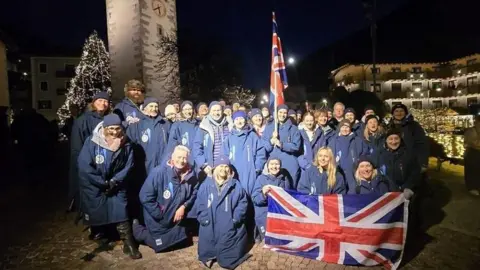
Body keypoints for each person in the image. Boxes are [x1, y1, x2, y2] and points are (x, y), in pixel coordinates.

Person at [77, 114, 141, 259]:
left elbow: (128, 165)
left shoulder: (126, 144)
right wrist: (102, 183)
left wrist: (114, 181)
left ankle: (128, 243)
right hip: (96, 182)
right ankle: (99, 231)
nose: (114, 132)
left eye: (117, 128)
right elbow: (84, 166)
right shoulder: (92, 142)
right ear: (105, 128)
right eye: (111, 128)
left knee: (120, 207)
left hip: (116, 182)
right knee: (97, 207)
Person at [134, 146, 198, 252]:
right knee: (159, 246)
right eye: (178, 157)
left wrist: (184, 206)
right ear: (172, 157)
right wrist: (160, 214)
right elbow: (145, 196)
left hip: (174, 221)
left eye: (184, 158)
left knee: (183, 240)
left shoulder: (190, 174)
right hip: (158, 220)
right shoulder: (158, 172)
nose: (181, 161)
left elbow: (194, 193)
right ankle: (138, 230)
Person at [196, 156, 249, 269]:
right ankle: (210, 255)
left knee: (227, 261)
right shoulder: (206, 185)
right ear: (215, 168)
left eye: (226, 166)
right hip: (210, 223)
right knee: (208, 243)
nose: (223, 169)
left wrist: (235, 219)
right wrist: (204, 218)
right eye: (221, 166)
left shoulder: (236, 186)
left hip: (228, 224)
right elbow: (200, 203)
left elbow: (242, 203)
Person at [68, 92, 110, 216]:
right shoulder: (83, 120)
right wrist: (82, 163)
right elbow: (77, 145)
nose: (103, 103)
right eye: (100, 100)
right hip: (89, 162)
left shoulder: (108, 119)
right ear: (93, 102)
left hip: (105, 162)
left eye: (106, 101)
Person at [223, 110, 266, 195]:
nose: (239, 121)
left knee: (249, 194)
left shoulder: (252, 136)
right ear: (234, 122)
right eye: (237, 119)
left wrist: (257, 168)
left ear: (245, 120)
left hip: (250, 171)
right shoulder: (229, 137)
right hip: (234, 171)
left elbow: (260, 153)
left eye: (241, 119)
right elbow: (225, 154)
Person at [127, 97, 170, 175]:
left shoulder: (164, 124)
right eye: (151, 106)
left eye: (156, 106)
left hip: (161, 164)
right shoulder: (137, 124)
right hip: (143, 166)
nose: (154, 108)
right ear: (145, 108)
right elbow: (130, 144)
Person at [262, 104, 302, 188]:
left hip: (289, 164)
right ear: (276, 113)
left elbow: (296, 146)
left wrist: (281, 144)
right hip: (274, 164)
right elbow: (264, 145)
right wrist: (271, 141)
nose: (282, 115)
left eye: (284, 112)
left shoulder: (293, 128)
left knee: (290, 189)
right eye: (280, 112)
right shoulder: (269, 127)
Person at [251, 157, 292, 240]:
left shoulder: (284, 179)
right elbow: (255, 199)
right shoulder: (261, 179)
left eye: (277, 164)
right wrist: (263, 194)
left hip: (279, 213)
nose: (274, 167)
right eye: (272, 164)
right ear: (267, 166)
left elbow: (289, 196)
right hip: (264, 213)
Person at [193, 101, 233, 178]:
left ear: (222, 111)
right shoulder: (204, 126)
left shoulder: (229, 124)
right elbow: (197, 147)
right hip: (211, 166)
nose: (216, 113)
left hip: (227, 166)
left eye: (218, 110)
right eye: (214, 110)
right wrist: (203, 164)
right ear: (209, 111)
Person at [328, 119, 368, 193]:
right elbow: (330, 156)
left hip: (353, 172)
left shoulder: (357, 140)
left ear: (350, 128)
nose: (345, 129)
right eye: (343, 127)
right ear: (340, 128)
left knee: (353, 192)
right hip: (338, 172)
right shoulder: (333, 141)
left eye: (347, 127)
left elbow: (364, 154)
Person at [387, 104, 429, 171]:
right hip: (394, 163)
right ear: (393, 113)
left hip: (412, 163)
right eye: (396, 111)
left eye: (401, 111)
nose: (399, 113)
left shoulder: (414, 126)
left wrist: (423, 163)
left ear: (405, 113)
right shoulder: (389, 126)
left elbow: (422, 144)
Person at [167, 101, 199, 169]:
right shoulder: (177, 125)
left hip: (197, 159)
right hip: (184, 159)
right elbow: (172, 143)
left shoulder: (198, 124)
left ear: (193, 110)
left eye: (189, 109)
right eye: (185, 109)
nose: (188, 111)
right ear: (182, 111)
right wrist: (171, 158)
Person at [463, 115, 480, 196]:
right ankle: (472, 187)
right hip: (472, 153)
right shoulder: (471, 131)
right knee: (472, 170)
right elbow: (475, 144)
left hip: (476, 153)